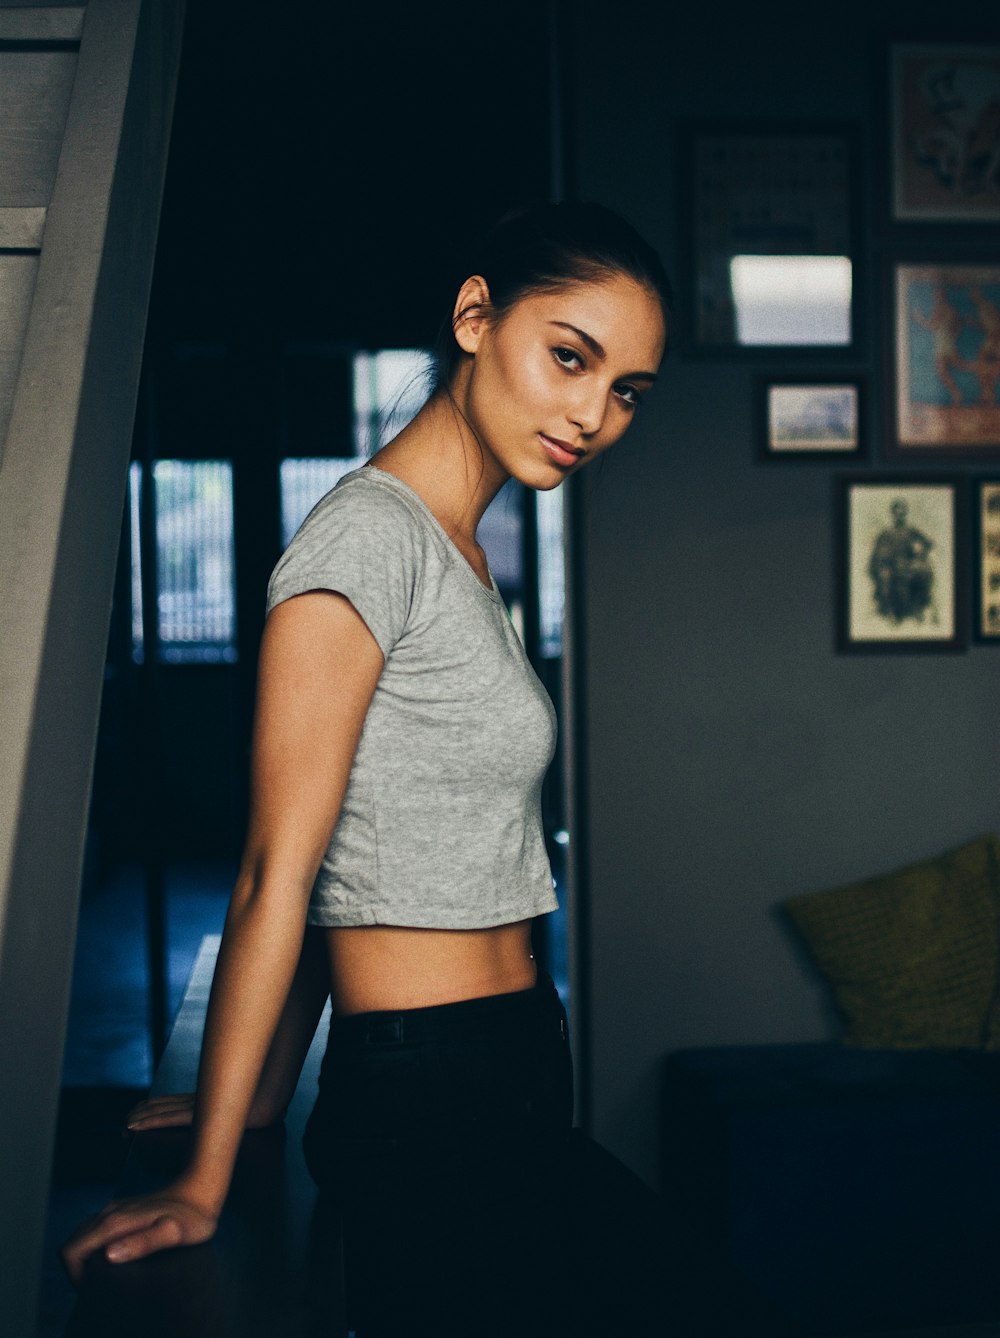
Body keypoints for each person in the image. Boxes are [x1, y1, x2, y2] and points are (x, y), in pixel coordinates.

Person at [62, 202, 673, 1335]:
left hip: (515, 1065)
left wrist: (257, 1102)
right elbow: (276, 874)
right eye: (571, 358)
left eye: (627, 389)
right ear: (475, 317)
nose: (593, 413)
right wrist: (203, 1176)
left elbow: (356, 844)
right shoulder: (364, 544)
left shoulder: (462, 553)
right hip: (424, 1095)